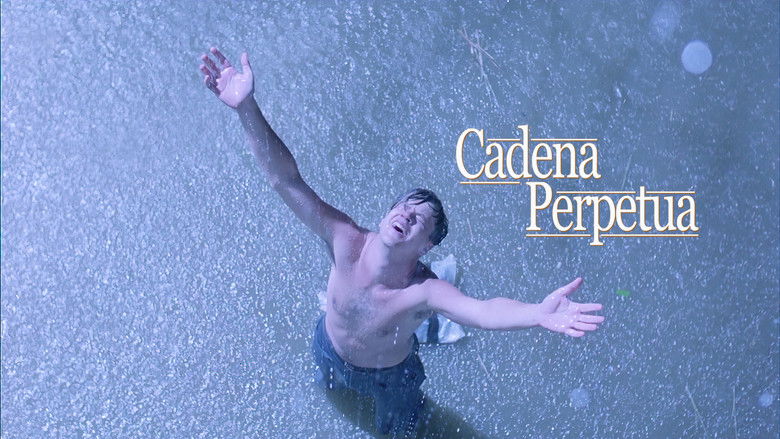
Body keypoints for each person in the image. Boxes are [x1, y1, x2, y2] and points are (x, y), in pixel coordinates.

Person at [199, 48, 605, 436]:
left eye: (418, 221)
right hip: (328, 346)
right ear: (385, 215)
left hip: (389, 377)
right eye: (404, 208)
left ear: (425, 247)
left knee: (402, 430)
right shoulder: (344, 241)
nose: (406, 216)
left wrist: (536, 312)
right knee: (329, 388)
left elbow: (481, 311)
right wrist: (246, 108)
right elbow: (285, 180)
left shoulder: (423, 290)